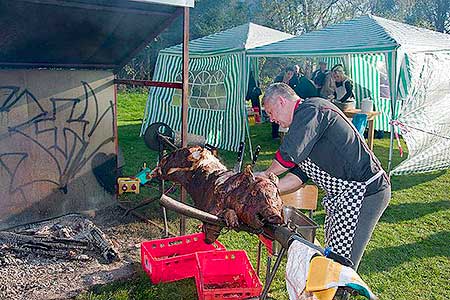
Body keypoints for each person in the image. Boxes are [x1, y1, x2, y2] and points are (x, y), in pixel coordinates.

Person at [258, 83, 391, 275]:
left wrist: (264, 175)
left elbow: (287, 156)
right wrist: (270, 187)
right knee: (333, 255)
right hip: (344, 197)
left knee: (341, 266)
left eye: (271, 112)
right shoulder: (304, 126)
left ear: (281, 101)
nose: (272, 119)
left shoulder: (311, 110)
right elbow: (297, 177)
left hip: (365, 192)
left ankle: (339, 292)